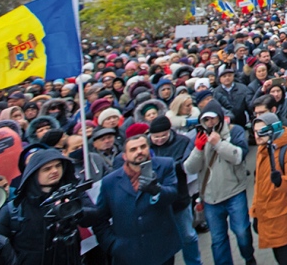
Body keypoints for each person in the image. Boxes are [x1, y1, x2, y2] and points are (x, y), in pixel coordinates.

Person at [0, 149, 99, 265]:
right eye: (47, 169)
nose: (55, 171)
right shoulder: (14, 209)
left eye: (58, 165)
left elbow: (96, 216)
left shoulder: (72, 192)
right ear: (34, 173)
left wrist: (75, 211)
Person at [184, 101, 255, 265]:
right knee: (218, 239)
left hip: (234, 192)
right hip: (211, 198)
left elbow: (238, 157)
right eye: (206, 120)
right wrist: (198, 149)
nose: (210, 123)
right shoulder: (197, 137)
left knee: (242, 231)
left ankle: (249, 258)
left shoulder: (234, 131)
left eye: (213, 119)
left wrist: (219, 144)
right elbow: (189, 168)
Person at [94, 134, 181, 265]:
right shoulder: (109, 182)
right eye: (133, 149)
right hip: (128, 254)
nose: (139, 151)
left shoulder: (165, 165)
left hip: (161, 248)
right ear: (124, 156)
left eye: (143, 147)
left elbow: (173, 194)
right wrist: (112, 245)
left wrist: (157, 190)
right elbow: (99, 219)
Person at [148, 116, 203, 265]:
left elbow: (186, 165)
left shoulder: (183, 142)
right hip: (156, 203)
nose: (159, 139)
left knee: (187, 236)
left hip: (179, 197)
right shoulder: (145, 146)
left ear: (169, 131)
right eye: (155, 137)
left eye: (163, 136)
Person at [250, 113, 287, 265]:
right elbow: (259, 186)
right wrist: (255, 213)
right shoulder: (262, 150)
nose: (256, 136)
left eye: (261, 131)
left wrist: (280, 182)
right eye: (255, 131)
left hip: (284, 220)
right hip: (269, 219)